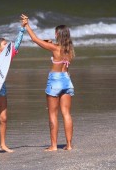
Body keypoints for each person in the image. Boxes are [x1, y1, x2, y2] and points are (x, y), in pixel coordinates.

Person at [21, 14, 75, 151]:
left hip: (55, 80)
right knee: (66, 113)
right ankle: (69, 145)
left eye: (55, 33)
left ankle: (53, 145)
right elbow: (58, 49)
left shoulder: (55, 48)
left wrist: (26, 25)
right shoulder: (70, 50)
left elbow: (35, 39)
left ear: (58, 34)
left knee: (52, 114)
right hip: (67, 80)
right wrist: (51, 43)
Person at [0, 20, 26, 154]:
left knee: (3, 118)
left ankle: (2, 145)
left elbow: (17, 46)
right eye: (4, 44)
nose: (7, 45)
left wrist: (22, 29)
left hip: (2, 88)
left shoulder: (6, 57)